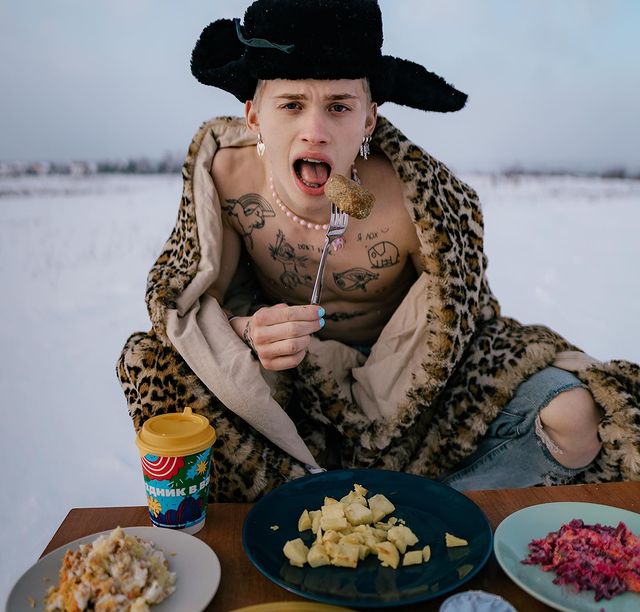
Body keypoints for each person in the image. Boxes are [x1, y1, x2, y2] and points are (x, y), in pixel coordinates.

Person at [118, 0, 640, 501]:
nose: (315, 132)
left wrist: (410, 381)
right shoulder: (227, 178)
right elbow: (193, 307)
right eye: (291, 105)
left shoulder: (416, 201)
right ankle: (290, 511)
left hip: (411, 389)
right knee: (158, 367)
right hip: (286, 381)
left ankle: (426, 508)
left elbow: (459, 317)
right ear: (254, 117)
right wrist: (248, 332)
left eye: (339, 107)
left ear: (368, 119)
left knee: (573, 417)